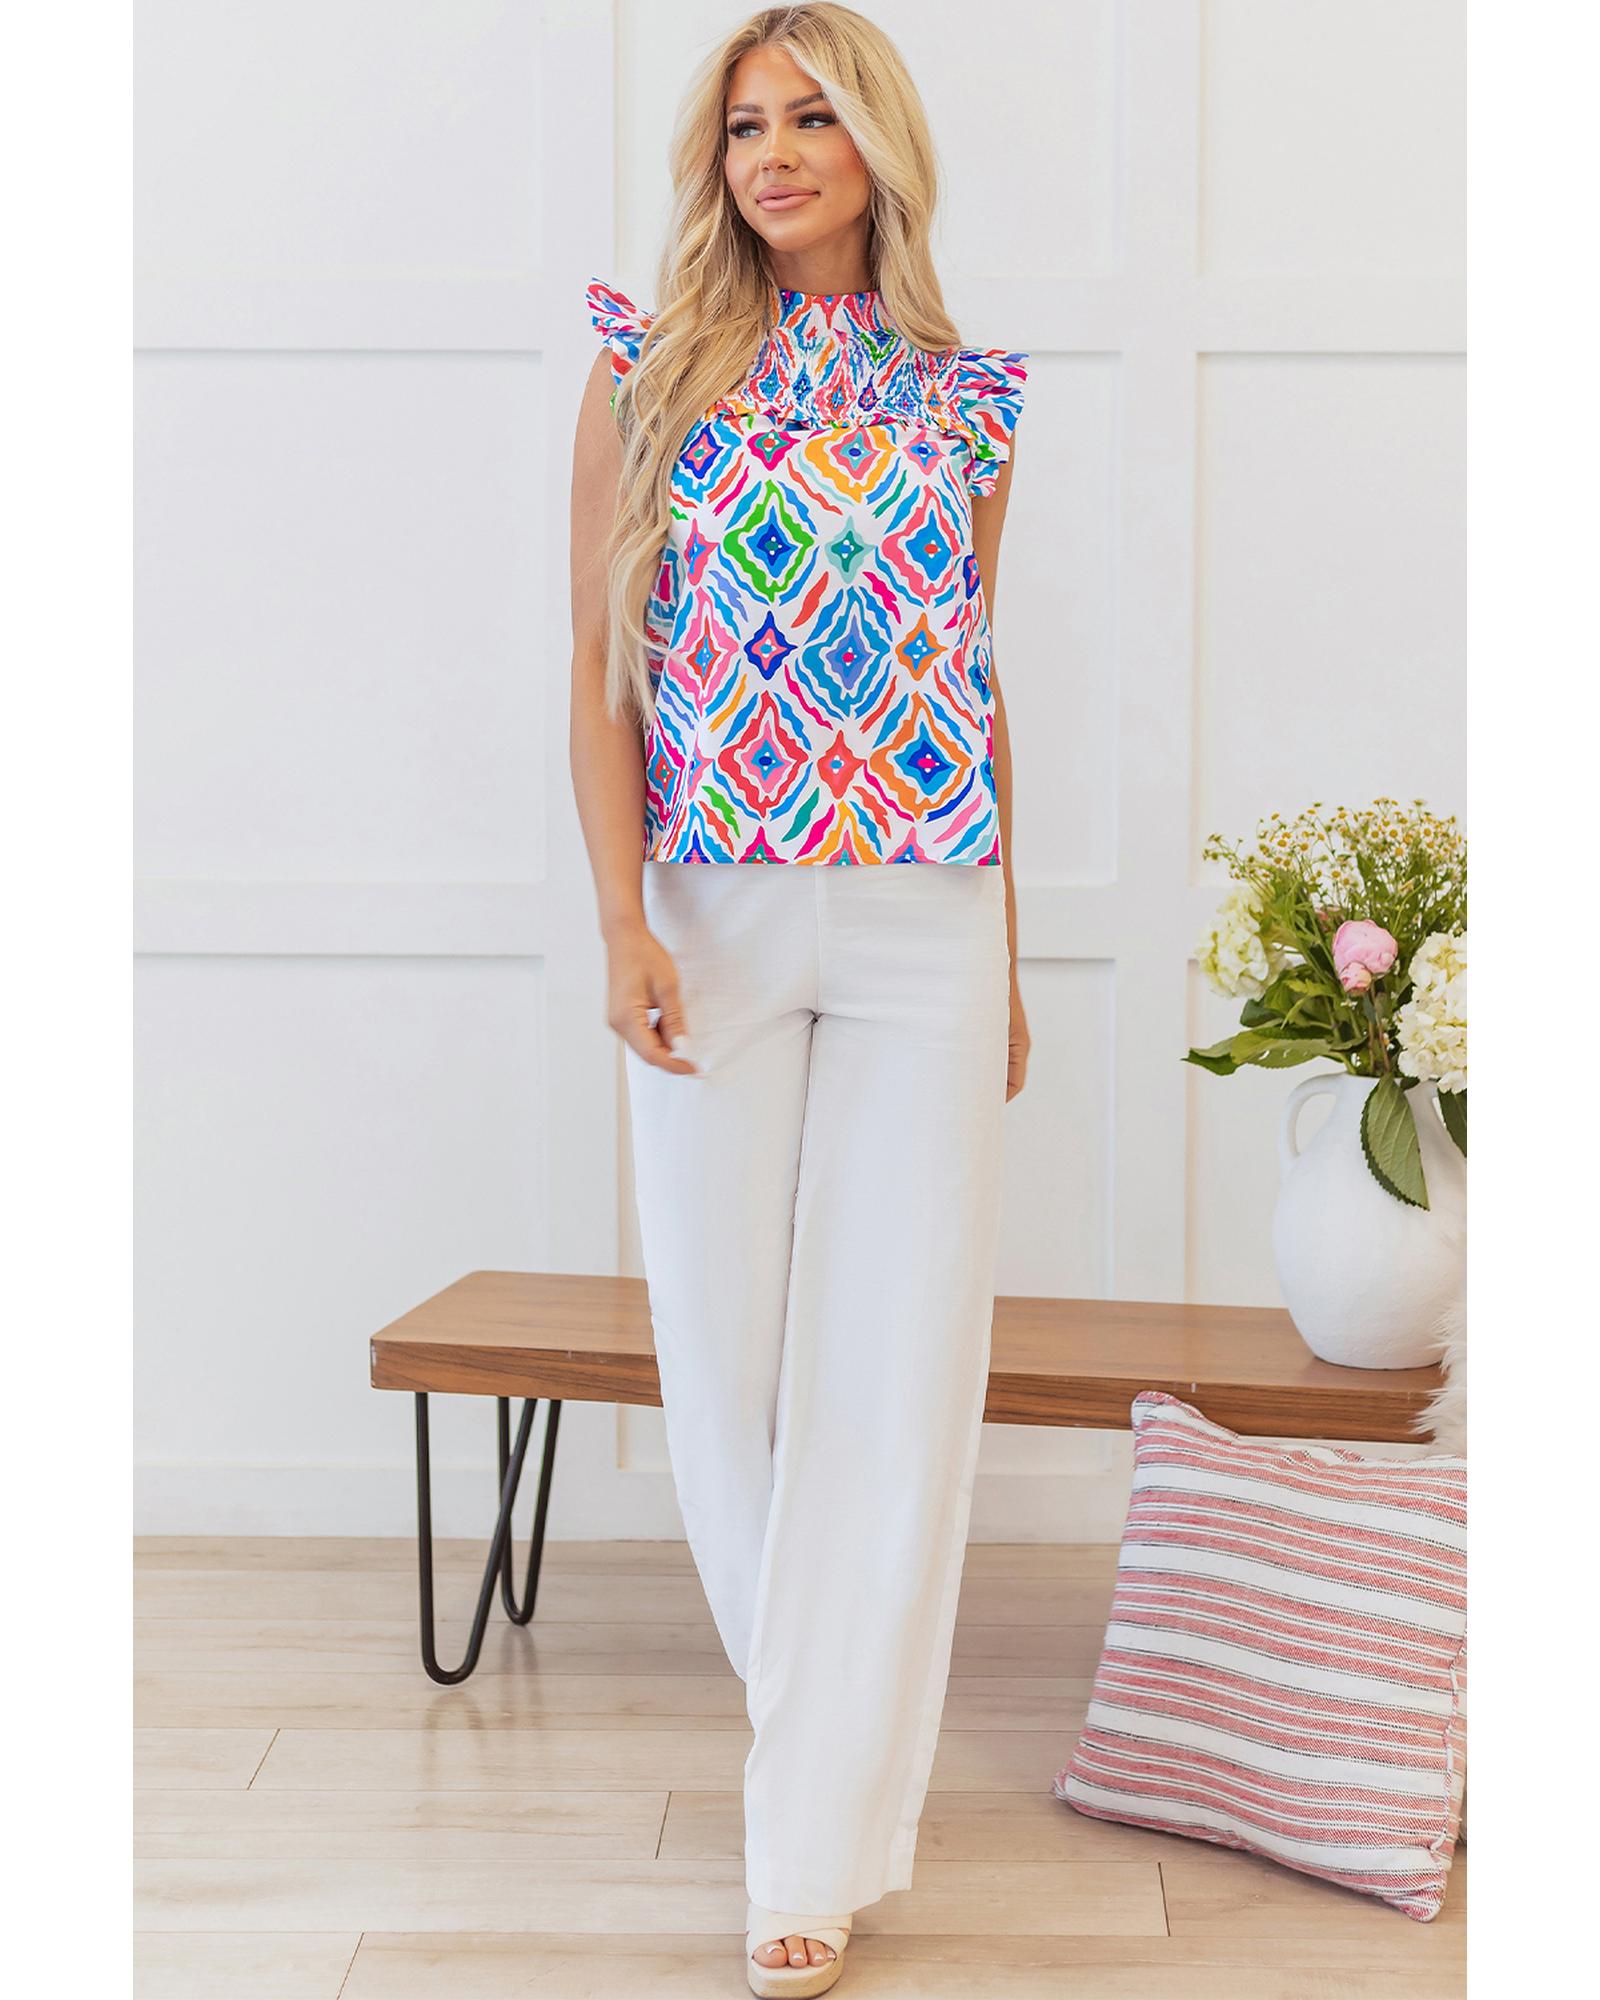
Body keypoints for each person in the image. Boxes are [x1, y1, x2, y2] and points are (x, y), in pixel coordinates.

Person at [567, 7, 1028, 1992]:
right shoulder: (645, 368)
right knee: (722, 1367)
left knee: (896, 1375)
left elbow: (972, 682)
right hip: (713, 910)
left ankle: (799, 1866)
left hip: (927, 912)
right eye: (744, 123)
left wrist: (1005, 954)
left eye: (810, 116)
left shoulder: (966, 398)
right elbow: (597, 671)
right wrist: (621, 920)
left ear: (874, 146)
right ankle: (827, 1777)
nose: (771, 151)